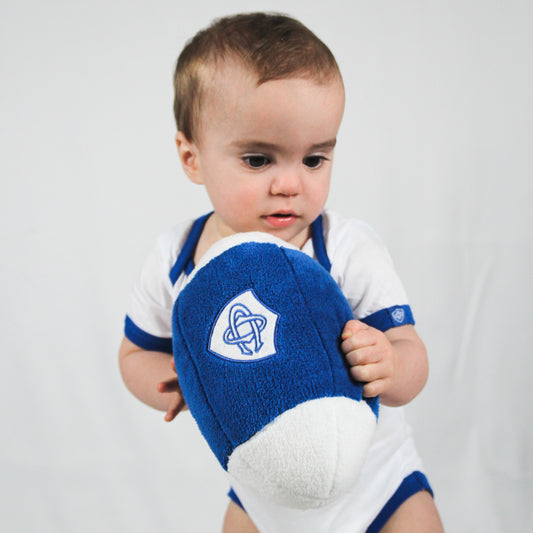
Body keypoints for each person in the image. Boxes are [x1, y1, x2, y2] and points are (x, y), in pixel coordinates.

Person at [118, 12, 444, 533]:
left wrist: (391, 363)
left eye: (314, 160)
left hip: (380, 484)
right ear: (191, 157)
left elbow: (412, 353)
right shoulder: (176, 261)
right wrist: (177, 382)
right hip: (262, 496)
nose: (290, 184)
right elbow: (135, 353)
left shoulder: (345, 249)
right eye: (258, 160)